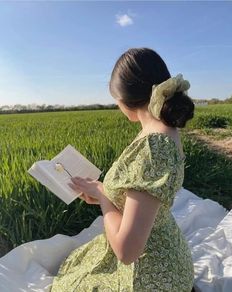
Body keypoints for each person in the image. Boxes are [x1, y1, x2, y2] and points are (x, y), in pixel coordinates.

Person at [50, 47, 195, 291]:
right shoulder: (163, 130)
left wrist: (104, 198)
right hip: (167, 256)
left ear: (123, 99)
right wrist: (102, 193)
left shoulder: (153, 146)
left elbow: (127, 252)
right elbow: (141, 195)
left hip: (150, 275)